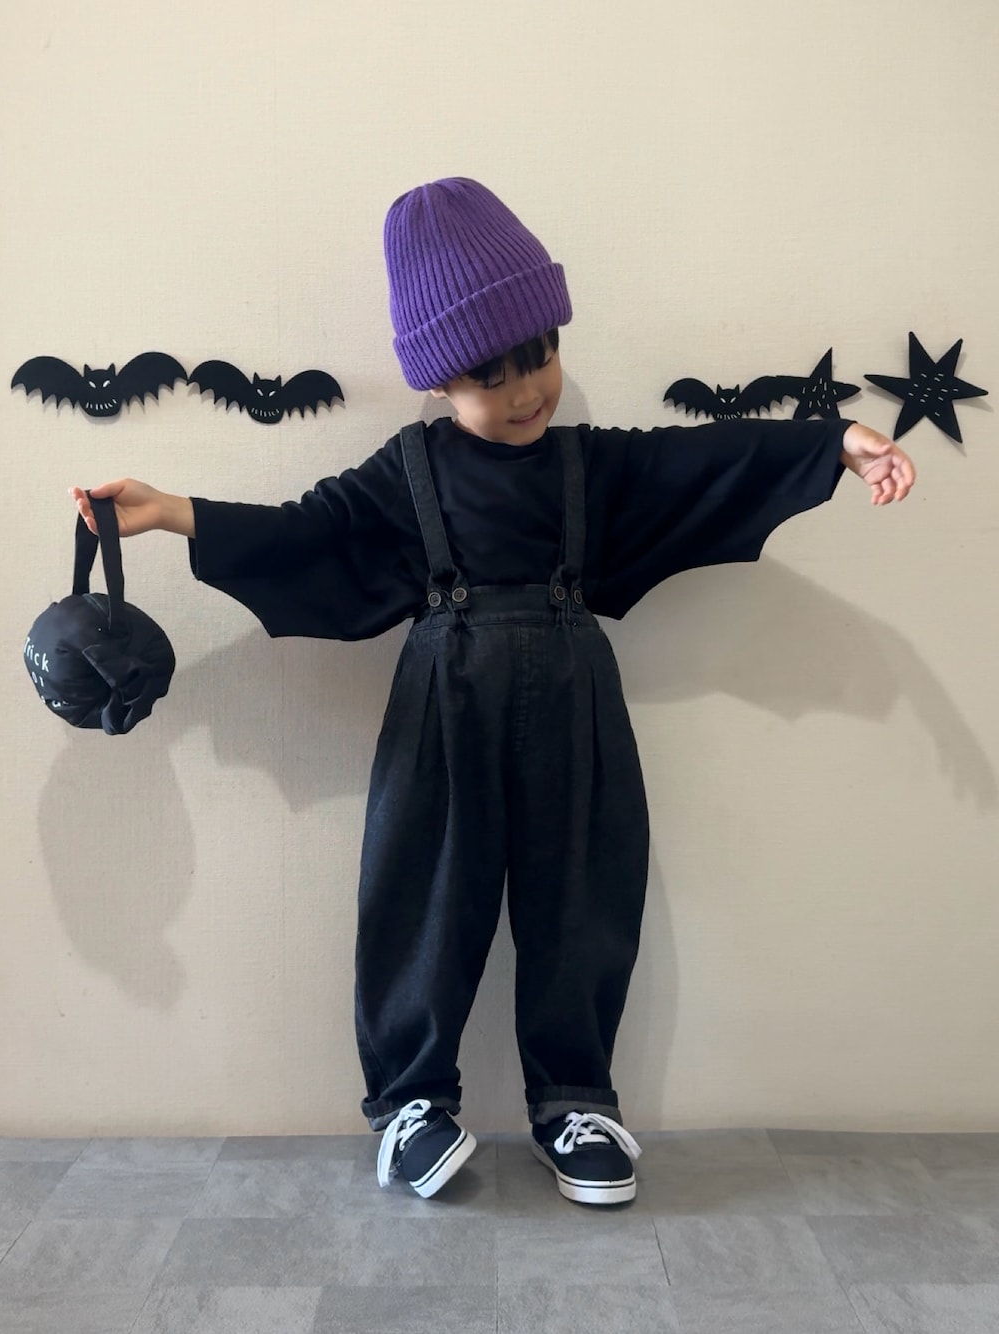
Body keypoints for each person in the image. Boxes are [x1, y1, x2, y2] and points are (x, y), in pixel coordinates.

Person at [72, 177, 915, 1206]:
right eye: (490, 371)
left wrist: (829, 444)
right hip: (443, 701)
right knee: (423, 890)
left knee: (583, 889)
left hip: (574, 698)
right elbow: (309, 531)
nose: (525, 389)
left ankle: (575, 1101)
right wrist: (174, 510)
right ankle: (411, 1103)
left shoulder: (589, 466)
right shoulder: (407, 473)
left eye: (540, 353)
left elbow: (700, 460)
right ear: (437, 378)